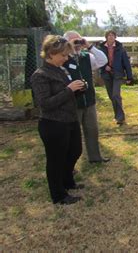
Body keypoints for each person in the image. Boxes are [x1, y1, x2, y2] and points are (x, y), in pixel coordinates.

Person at [31, 35, 85, 205]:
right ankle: (58, 195)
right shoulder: (40, 75)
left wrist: (79, 89)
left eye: (67, 54)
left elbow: (67, 94)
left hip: (70, 120)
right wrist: (69, 90)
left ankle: (68, 181)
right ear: (50, 54)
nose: (66, 58)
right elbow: (45, 104)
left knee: (75, 151)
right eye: (63, 55)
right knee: (56, 159)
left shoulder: (61, 70)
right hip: (53, 123)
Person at [63, 31, 110, 164]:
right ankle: (70, 164)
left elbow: (103, 60)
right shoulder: (63, 58)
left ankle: (95, 157)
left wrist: (89, 46)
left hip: (89, 100)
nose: (77, 44)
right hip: (72, 102)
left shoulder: (86, 57)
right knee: (72, 134)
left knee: (92, 130)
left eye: (78, 40)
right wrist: (67, 48)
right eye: (74, 41)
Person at [98, 30, 133, 125]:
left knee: (115, 95)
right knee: (111, 96)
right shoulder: (100, 48)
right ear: (106, 37)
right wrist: (104, 66)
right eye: (109, 35)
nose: (110, 37)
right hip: (106, 74)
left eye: (112, 35)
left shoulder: (120, 48)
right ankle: (117, 116)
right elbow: (97, 61)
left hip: (118, 74)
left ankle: (120, 117)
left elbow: (126, 63)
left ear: (115, 37)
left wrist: (129, 77)